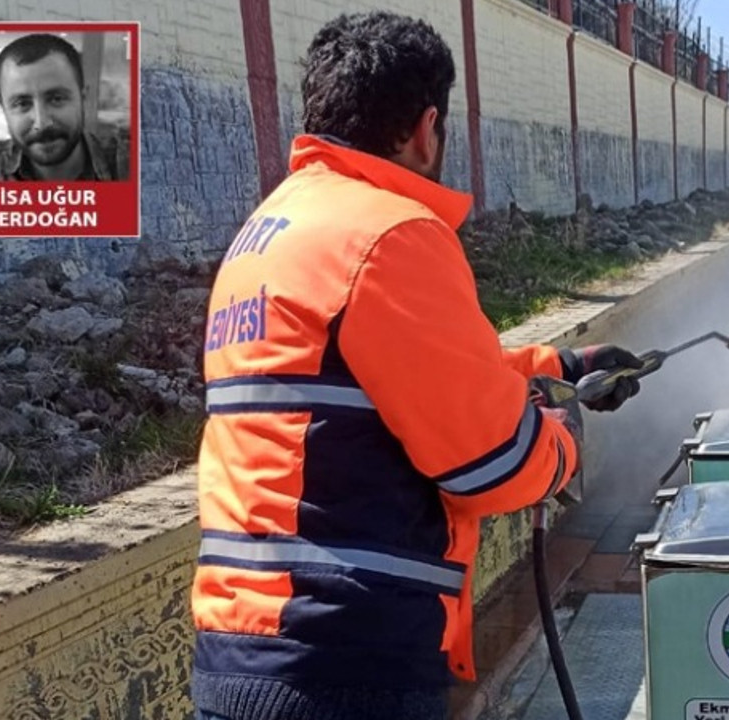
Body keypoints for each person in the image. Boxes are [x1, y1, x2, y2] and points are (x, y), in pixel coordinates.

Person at [189, 11, 644, 720]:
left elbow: (387, 373)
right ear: (426, 127)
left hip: (242, 656)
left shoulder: (273, 232)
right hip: (348, 664)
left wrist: (556, 362)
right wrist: (561, 442)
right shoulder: (391, 234)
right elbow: (491, 463)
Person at [0, 32, 129, 181]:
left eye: (56, 99)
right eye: (22, 103)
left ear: (83, 98)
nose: (42, 123)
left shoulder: (131, 166)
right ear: (3, 107)